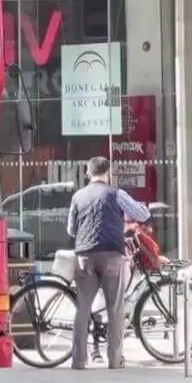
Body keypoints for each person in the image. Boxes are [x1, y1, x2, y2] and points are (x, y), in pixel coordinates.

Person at [66, 156, 151, 369]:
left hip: (85, 255)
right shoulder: (116, 193)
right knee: (115, 308)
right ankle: (115, 360)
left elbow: (71, 229)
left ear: (88, 173)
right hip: (112, 254)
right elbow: (142, 213)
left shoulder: (78, 196)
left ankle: (78, 361)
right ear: (108, 172)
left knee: (82, 308)